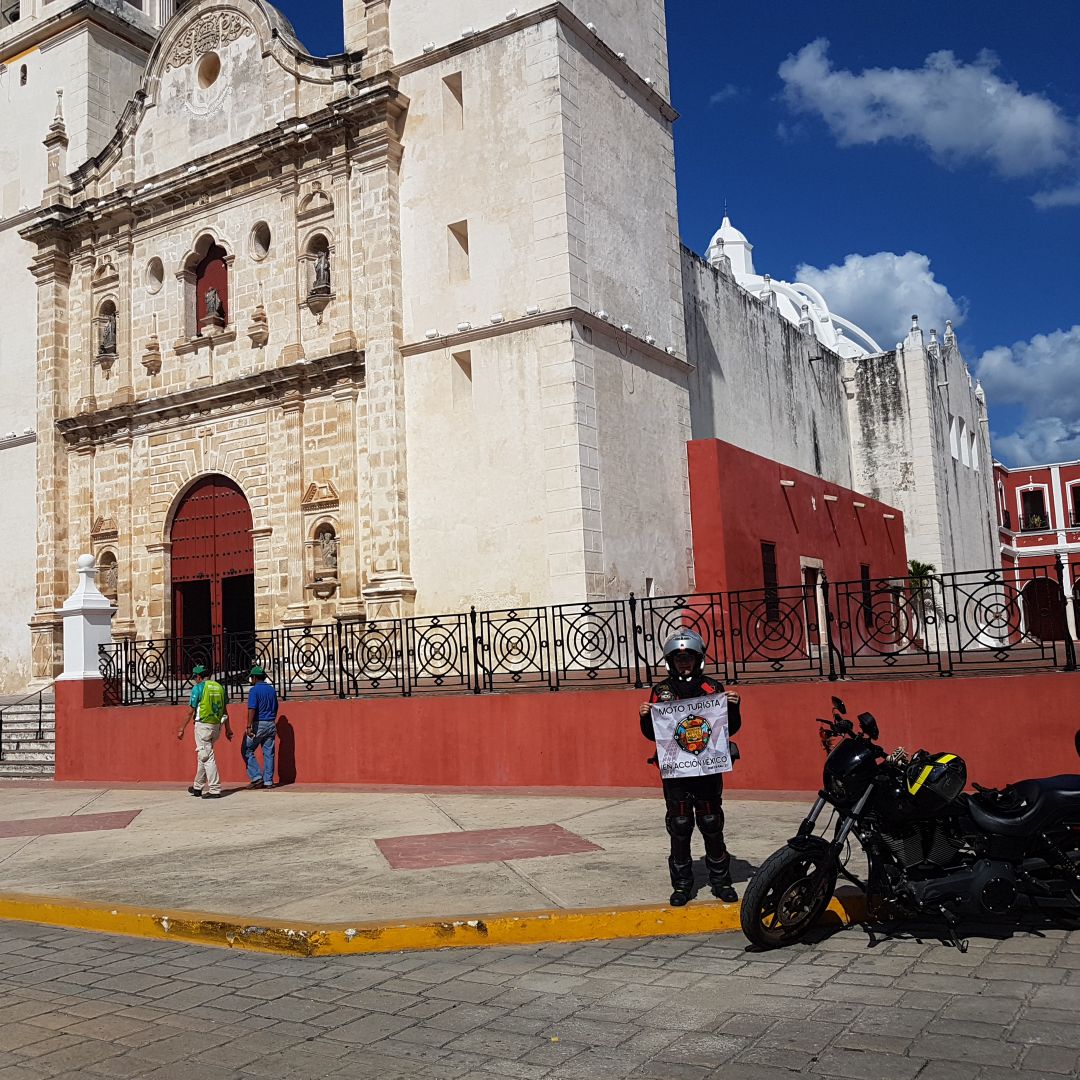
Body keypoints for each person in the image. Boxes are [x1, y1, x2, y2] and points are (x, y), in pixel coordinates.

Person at [639, 630, 742, 906]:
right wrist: (646, 717)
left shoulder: (713, 688)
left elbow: (729, 727)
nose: (684, 663)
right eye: (679, 658)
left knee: (711, 821)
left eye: (688, 658)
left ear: (699, 660)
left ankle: (721, 881)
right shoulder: (661, 692)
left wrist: (733, 707)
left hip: (707, 768)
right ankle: (683, 884)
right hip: (676, 770)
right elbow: (653, 734)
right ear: (670, 661)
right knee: (680, 823)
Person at [177, 664, 232, 798]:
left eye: (195, 677)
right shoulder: (219, 687)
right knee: (203, 754)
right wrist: (228, 729)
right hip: (216, 726)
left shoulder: (199, 688)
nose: (195, 680)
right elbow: (225, 710)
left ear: (199, 677)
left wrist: (181, 728)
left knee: (206, 756)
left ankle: (215, 788)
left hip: (203, 726)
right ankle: (197, 786)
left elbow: (190, 711)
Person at [242, 665, 279, 789]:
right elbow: (276, 706)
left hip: (259, 724)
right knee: (269, 753)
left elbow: (252, 708)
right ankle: (268, 781)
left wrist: (249, 726)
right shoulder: (272, 690)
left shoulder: (254, 690)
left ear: (255, 678)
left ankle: (257, 777)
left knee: (246, 749)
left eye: (251, 677)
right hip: (271, 723)